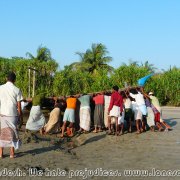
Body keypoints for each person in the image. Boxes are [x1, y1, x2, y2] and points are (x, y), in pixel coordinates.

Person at [0, 72, 23, 158]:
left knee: (3, 132)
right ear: (15, 80)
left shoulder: (1, 88)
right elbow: (19, 107)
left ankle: (1, 153)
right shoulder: (17, 90)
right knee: (13, 133)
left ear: (6, 78)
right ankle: (12, 153)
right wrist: (21, 117)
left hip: (2, 114)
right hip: (13, 114)